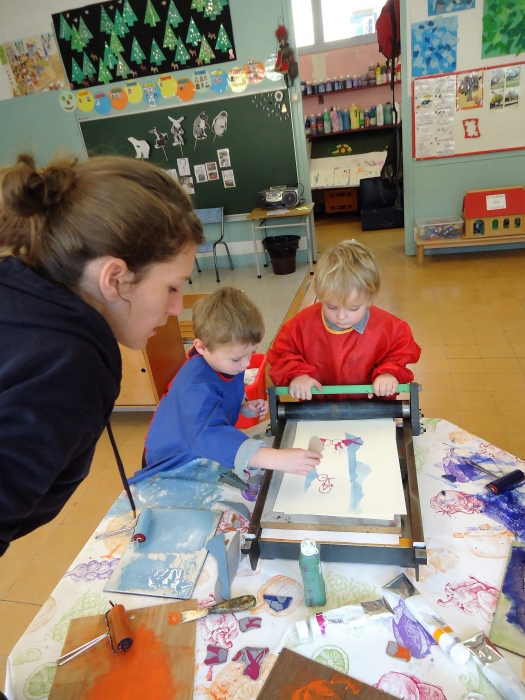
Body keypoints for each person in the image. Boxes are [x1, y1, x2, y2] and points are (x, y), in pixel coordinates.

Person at [0, 153, 204, 556]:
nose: (178, 307)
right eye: (172, 287)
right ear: (114, 278)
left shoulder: (18, 295)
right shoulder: (67, 369)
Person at [135, 287, 322, 484]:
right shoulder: (194, 387)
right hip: (171, 464)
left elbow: (217, 403)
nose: (246, 363)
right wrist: (277, 458)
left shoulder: (224, 359)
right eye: (237, 359)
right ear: (201, 347)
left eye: (251, 352)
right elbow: (208, 435)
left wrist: (242, 407)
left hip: (198, 450)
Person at [268, 239, 421, 399]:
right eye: (331, 307)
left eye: (353, 308)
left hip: (371, 409)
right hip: (318, 409)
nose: (341, 317)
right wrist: (297, 375)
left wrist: (389, 373)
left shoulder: (387, 327)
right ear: (320, 296)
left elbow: (400, 351)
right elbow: (282, 352)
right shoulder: (303, 324)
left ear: (370, 299)